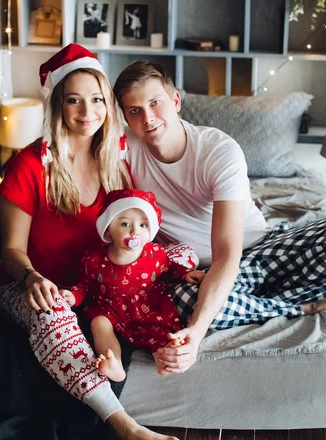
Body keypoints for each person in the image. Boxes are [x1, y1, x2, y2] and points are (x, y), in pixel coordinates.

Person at [0, 44, 185, 440]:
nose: (88, 111)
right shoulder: (29, 165)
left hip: (95, 288)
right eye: (74, 100)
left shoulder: (117, 163)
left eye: (97, 99)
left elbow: (137, 232)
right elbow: (10, 250)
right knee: (51, 314)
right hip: (30, 286)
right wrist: (31, 279)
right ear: (58, 105)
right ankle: (129, 429)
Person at [113, 60, 326, 375]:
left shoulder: (217, 150)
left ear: (175, 101)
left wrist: (197, 332)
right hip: (199, 273)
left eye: (155, 103)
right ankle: (296, 305)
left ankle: (267, 296)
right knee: (184, 302)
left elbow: (228, 252)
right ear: (126, 119)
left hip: (258, 248)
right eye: (134, 111)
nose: (148, 117)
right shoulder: (122, 151)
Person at [58, 188, 205, 381]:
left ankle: (163, 359)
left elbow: (170, 268)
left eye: (144, 225)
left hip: (147, 307)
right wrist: (73, 296)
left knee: (162, 332)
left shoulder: (155, 253)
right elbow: (84, 285)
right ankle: (115, 363)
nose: (135, 231)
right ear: (108, 228)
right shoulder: (94, 259)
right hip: (110, 309)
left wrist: (185, 274)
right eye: (125, 224)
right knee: (98, 323)